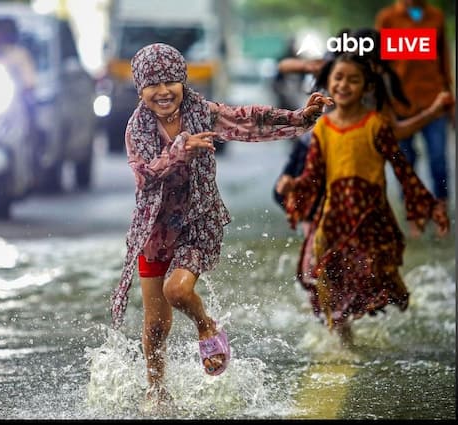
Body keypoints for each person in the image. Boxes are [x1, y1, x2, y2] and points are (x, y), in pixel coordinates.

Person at [109, 43, 332, 404]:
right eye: (153, 84)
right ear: (140, 91)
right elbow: (146, 177)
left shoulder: (203, 112)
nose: (163, 91)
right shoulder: (136, 130)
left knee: (177, 291)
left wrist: (301, 118)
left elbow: (249, 119)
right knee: (155, 326)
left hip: (200, 221)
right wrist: (180, 150)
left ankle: (205, 326)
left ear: (184, 81)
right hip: (155, 230)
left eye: (171, 82)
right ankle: (157, 390)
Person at [276, 52, 450, 348]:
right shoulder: (323, 130)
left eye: (353, 80)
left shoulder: (376, 125)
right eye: (338, 78)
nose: (344, 85)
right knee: (327, 275)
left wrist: (429, 205)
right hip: (333, 219)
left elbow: (403, 170)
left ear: (367, 87)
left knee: (369, 276)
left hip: (371, 219)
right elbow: (314, 176)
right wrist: (293, 184)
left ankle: (353, 323)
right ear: (329, 83)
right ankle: (344, 342)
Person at [375, 0, 454, 222]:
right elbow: (381, 65)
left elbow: (444, 63)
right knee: (405, 161)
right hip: (400, 105)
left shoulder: (435, 16)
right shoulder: (388, 18)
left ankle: (442, 209)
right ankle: (413, 212)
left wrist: (451, 103)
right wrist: (383, 105)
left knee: (439, 159)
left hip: (433, 101)